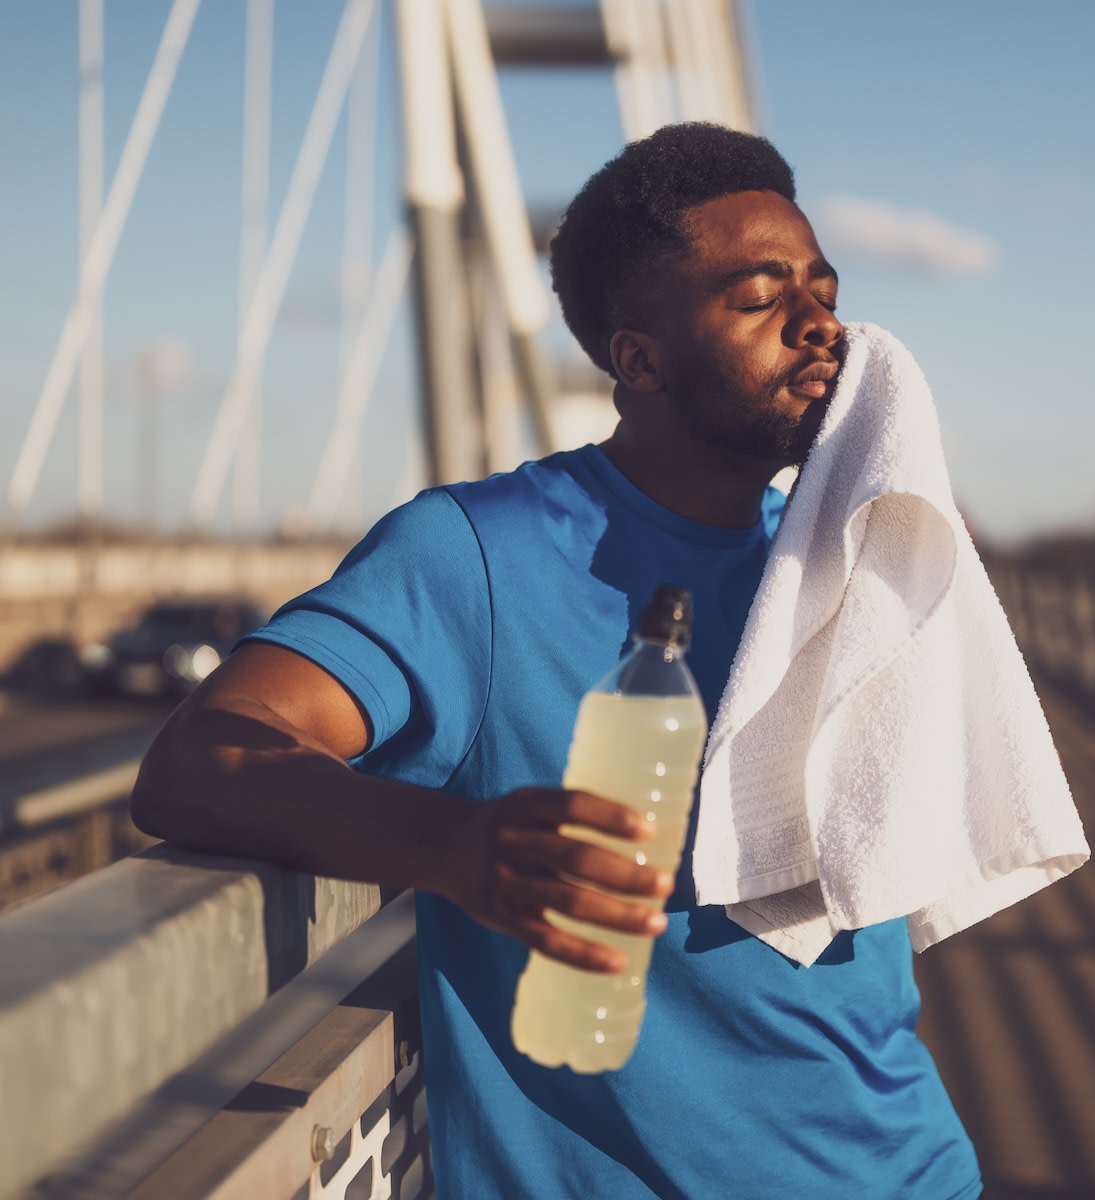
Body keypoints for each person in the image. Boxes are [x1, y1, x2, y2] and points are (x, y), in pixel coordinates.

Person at [132, 122, 983, 1200]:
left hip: (912, 1171)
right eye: (764, 299)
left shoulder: (843, 560)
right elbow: (200, 758)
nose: (824, 330)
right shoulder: (479, 552)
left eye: (824, 291)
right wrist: (457, 845)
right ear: (640, 359)